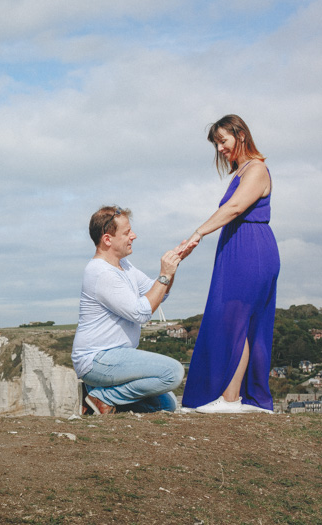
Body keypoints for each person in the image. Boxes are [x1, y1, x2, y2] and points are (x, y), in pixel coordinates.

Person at [178, 114, 280, 414]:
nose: (220, 149)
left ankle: (231, 399)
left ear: (241, 135)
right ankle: (243, 399)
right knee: (240, 321)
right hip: (238, 246)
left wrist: (198, 233)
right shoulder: (241, 171)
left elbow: (235, 207)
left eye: (223, 140)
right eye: (217, 144)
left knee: (234, 319)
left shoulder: (257, 168)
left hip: (251, 248)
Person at [72, 205, 186, 415]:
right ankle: (101, 397)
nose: (134, 236)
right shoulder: (100, 273)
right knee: (173, 373)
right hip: (97, 358)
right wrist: (164, 275)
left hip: (116, 356)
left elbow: (159, 292)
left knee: (166, 404)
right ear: (108, 239)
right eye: (126, 233)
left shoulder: (125, 265)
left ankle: (95, 395)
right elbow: (142, 313)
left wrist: (172, 268)